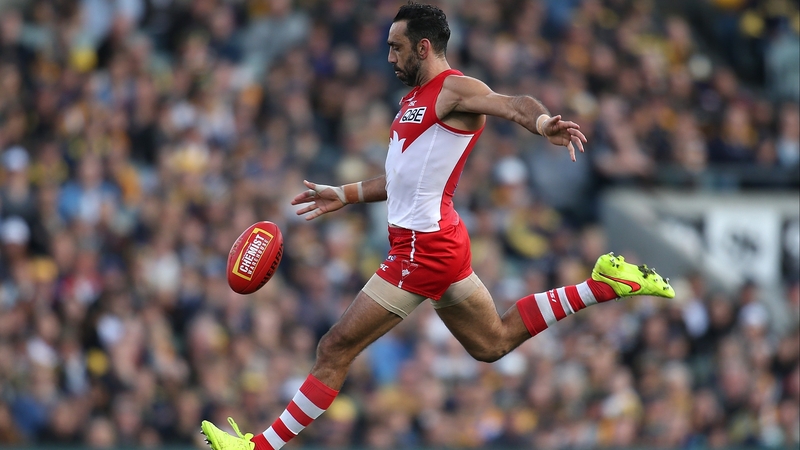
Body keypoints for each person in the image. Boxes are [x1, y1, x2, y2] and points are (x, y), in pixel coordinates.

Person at [200, 3, 674, 449]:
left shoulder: (453, 89)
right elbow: (402, 179)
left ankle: (258, 445)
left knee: (335, 346)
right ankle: (603, 285)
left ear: (423, 47)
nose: (389, 56)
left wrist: (545, 121)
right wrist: (343, 194)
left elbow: (513, 104)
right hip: (440, 241)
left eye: (396, 47)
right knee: (492, 343)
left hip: (421, 249)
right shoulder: (412, 101)